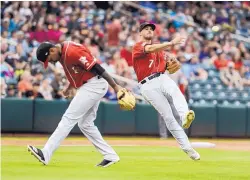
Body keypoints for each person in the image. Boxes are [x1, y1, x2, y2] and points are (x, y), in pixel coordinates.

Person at [27, 41, 129, 168]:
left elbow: (96, 67)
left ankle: (46, 153)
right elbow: (77, 70)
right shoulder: (61, 53)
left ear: (52, 50)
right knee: (85, 124)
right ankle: (110, 156)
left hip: (94, 85)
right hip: (90, 85)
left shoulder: (72, 51)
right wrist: (70, 87)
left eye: (49, 59)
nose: (51, 62)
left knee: (68, 118)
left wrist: (114, 86)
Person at [132, 22, 200, 160]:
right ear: (140, 33)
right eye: (146, 29)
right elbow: (150, 49)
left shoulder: (161, 52)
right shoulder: (138, 46)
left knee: (174, 90)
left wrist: (173, 63)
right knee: (168, 116)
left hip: (161, 77)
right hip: (146, 85)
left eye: (151, 29)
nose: (149, 30)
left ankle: (184, 116)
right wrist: (171, 43)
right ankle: (188, 149)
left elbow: (169, 66)